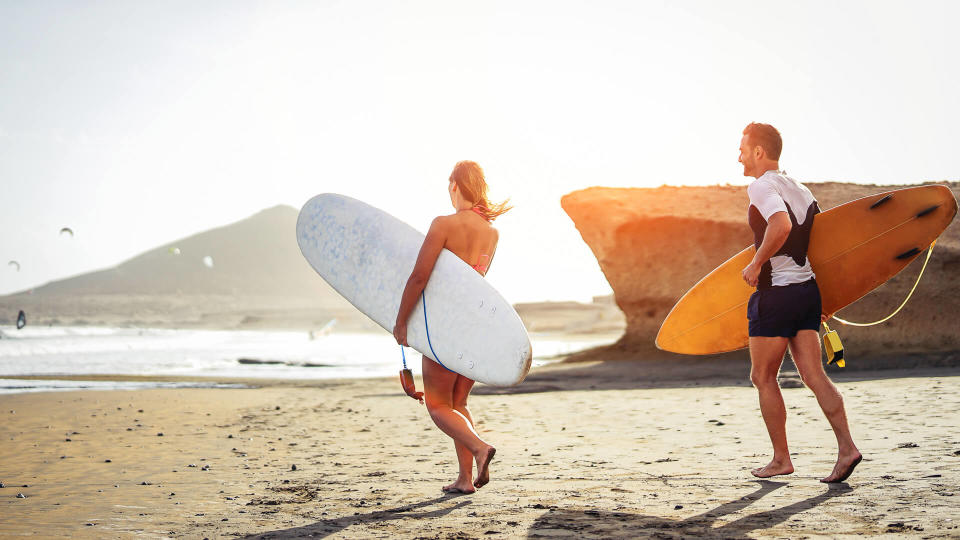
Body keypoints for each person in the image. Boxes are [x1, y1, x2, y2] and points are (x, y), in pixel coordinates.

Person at [738, 123, 862, 483]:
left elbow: (780, 226)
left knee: (762, 376)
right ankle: (847, 448)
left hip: (776, 295)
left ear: (759, 151)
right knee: (813, 375)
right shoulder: (800, 188)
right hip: (807, 291)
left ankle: (780, 459)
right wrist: (828, 299)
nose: (739, 155)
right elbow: (822, 246)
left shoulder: (762, 185)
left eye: (743, 148)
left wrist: (756, 262)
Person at [393, 160, 511, 494]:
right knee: (459, 404)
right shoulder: (492, 232)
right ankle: (464, 479)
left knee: (437, 404)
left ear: (454, 185)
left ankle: (480, 448)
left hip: (446, 326)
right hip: (475, 326)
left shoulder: (443, 224)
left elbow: (420, 276)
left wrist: (402, 321)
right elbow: (476, 281)